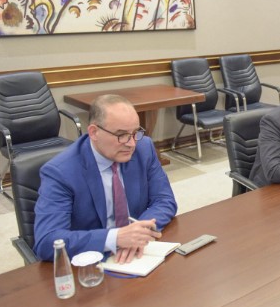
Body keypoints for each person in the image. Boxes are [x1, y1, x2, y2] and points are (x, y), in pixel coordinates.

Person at [34, 94, 177, 264]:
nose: (131, 143)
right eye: (121, 135)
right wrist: (115, 238)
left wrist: (137, 233)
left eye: (135, 133)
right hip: (91, 262)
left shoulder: (144, 148)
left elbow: (164, 200)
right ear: (94, 132)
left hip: (137, 256)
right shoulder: (60, 172)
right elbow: (47, 241)